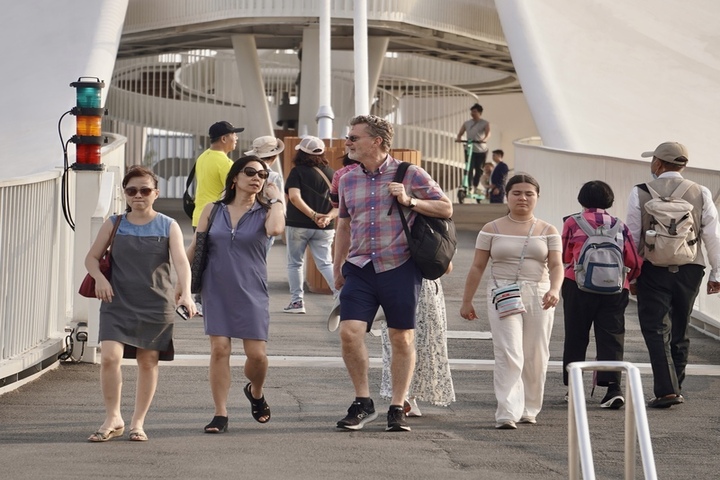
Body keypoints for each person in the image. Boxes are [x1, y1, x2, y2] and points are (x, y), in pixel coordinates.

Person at [333, 114, 453, 432]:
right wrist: (337, 266)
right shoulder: (346, 179)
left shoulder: (409, 173)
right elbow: (343, 225)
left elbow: (446, 208)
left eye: (354, 137)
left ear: (377, 141)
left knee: (401, 337)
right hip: (359, 268)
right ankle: (363, 402)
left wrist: (410, 200)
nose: (348, 143)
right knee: (349, 333)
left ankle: (397, 406)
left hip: (399, 267)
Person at [84, 166, 196, 442]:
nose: (138, 195)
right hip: (117, 300)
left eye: (145, 190)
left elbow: (181, 262)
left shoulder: (168, 225)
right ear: (125, 194)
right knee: (109, 357)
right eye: (132, 190)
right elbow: (91, 258)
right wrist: (99, 278)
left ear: (155, 193)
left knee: (148, 361)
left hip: (156, 303)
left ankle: (137, 422)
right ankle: (113, 417)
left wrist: (187, 294)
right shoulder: (114, 223)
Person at [186, 156, 285, 433]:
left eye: (262, 174)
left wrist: (277, 199)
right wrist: (181, 287)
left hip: (252, 289)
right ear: (234, 178)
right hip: (215, 287)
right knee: (220, 349)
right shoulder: (212, 210)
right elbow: (195, 248)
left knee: (257, 356)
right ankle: (220, 413)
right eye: (250, 172)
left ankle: (256, 391)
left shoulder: (267, 211)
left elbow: (276, 229)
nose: (257, 177)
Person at [460, 173, 563, 429]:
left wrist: (555, 289)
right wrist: (467, 301)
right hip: (502, 292)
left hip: (539, 293)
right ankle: (507, 410)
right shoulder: (491, 228)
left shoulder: (548, 230)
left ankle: (529, 408)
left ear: (537, 197)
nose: (523, 198)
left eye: (529, 193)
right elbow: (477, 267)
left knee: (536, 352)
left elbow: (557, 264)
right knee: (509, 351)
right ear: (506, 196)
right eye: (517, 193)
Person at [626, 142, 720, 408]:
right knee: (681, 325)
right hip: (691, 267)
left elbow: (633, 236)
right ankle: (675, 386)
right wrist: (717, 272)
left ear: (658, 163)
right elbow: (713, 236)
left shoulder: (640, 192)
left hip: (652, 268)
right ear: (683, 165)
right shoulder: (700, 192)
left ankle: (667, 390)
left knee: (655, 329)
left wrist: (632, 275)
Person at [561, 181, 642, 409]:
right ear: (610, 201)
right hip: (615, 288)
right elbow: (633, 260)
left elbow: (565, 255)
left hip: (578, 286)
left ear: (581, 199)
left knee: (576, 335)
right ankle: (613, 389)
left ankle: (574, 389)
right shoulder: (619, 225)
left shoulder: (572, 222)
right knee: (612, 337)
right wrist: (629, 280)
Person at [379, 274, 456, 416]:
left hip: (408, 285)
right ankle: (405, 397)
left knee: (406, 343)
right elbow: (445, 265)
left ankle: (408, 397)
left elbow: (445, 265)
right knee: (413, 343)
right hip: (420, 288)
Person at [191, 121, 245, 315]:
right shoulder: (225, 163)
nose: (236, 138)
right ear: (224, 138)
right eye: (234, 135)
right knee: (217, 262)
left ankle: (199, 301)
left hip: (199, 216)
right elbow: (233, 192)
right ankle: (207, 302)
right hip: (217, 219)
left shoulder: (203, 157)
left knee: (202, 260)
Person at [283, 136, 337, 314]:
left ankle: (297, 302)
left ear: (301, 152)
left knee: (295, 263)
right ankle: (340, 297)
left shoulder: (297, 172)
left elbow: (294, 197)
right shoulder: (332, 174)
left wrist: (313, 215)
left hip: (298, 224)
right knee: (326, 263)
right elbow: (341, 204)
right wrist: (327, 217)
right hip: (325, 227)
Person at [244, 135, 287, 256]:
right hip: (265, 222)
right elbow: (279, 203)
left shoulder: (244, 172)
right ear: (274, 156)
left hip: (243, 220)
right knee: (258, 260)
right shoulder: (273, 176)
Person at [456, 103, 491, 194]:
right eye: (472, 112)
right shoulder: (467, 123)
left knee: (479, 169)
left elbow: (488, 133)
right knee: (469, 168)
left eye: (475, 111)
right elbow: (460, 133)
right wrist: (459, 138)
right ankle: (469, 185)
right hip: (470, 149)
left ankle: (475, 186)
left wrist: (484, 140)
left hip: (481, 150)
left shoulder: (485, 123)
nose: (472, 113)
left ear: (480, 113)